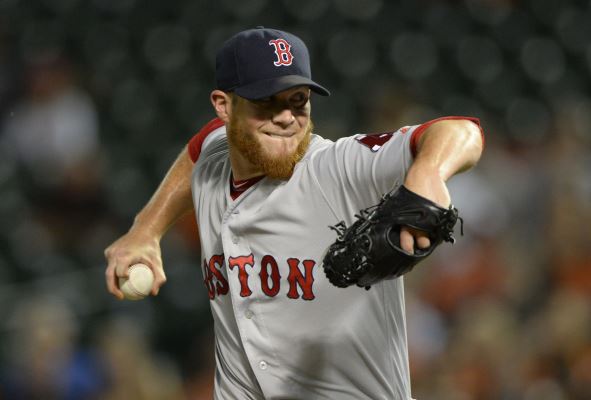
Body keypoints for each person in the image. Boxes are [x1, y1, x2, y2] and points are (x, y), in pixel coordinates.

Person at [104, 27, 484, 400]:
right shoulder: (215, 158)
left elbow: (460, 131)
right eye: (266, 102)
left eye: (298, 100)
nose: (286, 117)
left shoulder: (334, 168)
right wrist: (146, 230)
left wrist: (428, 171)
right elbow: (202, 145)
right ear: (223, 106)